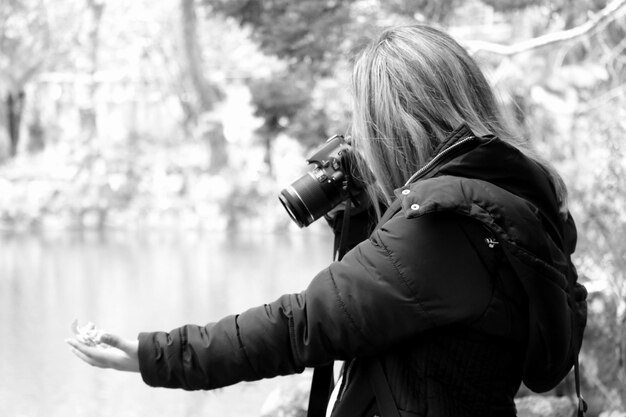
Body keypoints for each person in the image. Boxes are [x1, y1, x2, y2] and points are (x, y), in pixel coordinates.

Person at [67, 24, 587, 416]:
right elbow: (397, 301)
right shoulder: (518, 197)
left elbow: (299, 325)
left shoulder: (437, 230)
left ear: (395, 123)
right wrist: (371, 208)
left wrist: (151, 355)